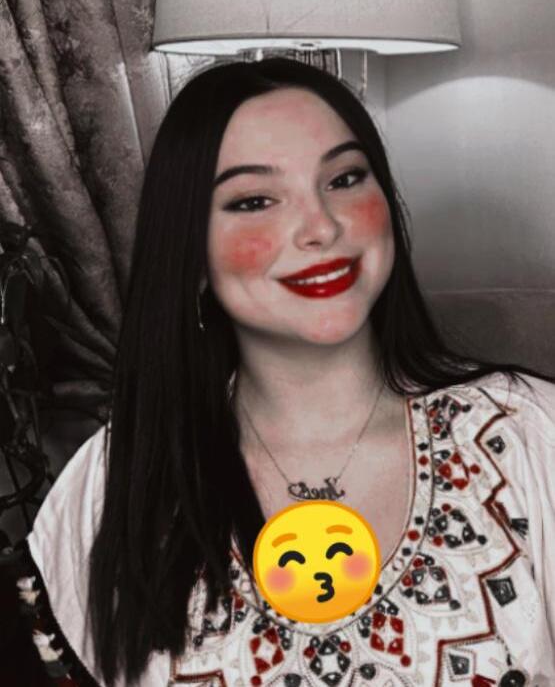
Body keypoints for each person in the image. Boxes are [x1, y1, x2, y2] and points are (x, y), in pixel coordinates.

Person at [5, 57, 555, 686]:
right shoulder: (117, 479)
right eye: (255, 200)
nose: (321, 227)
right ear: (190, 252)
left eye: (344, 179)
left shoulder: (528, 436)